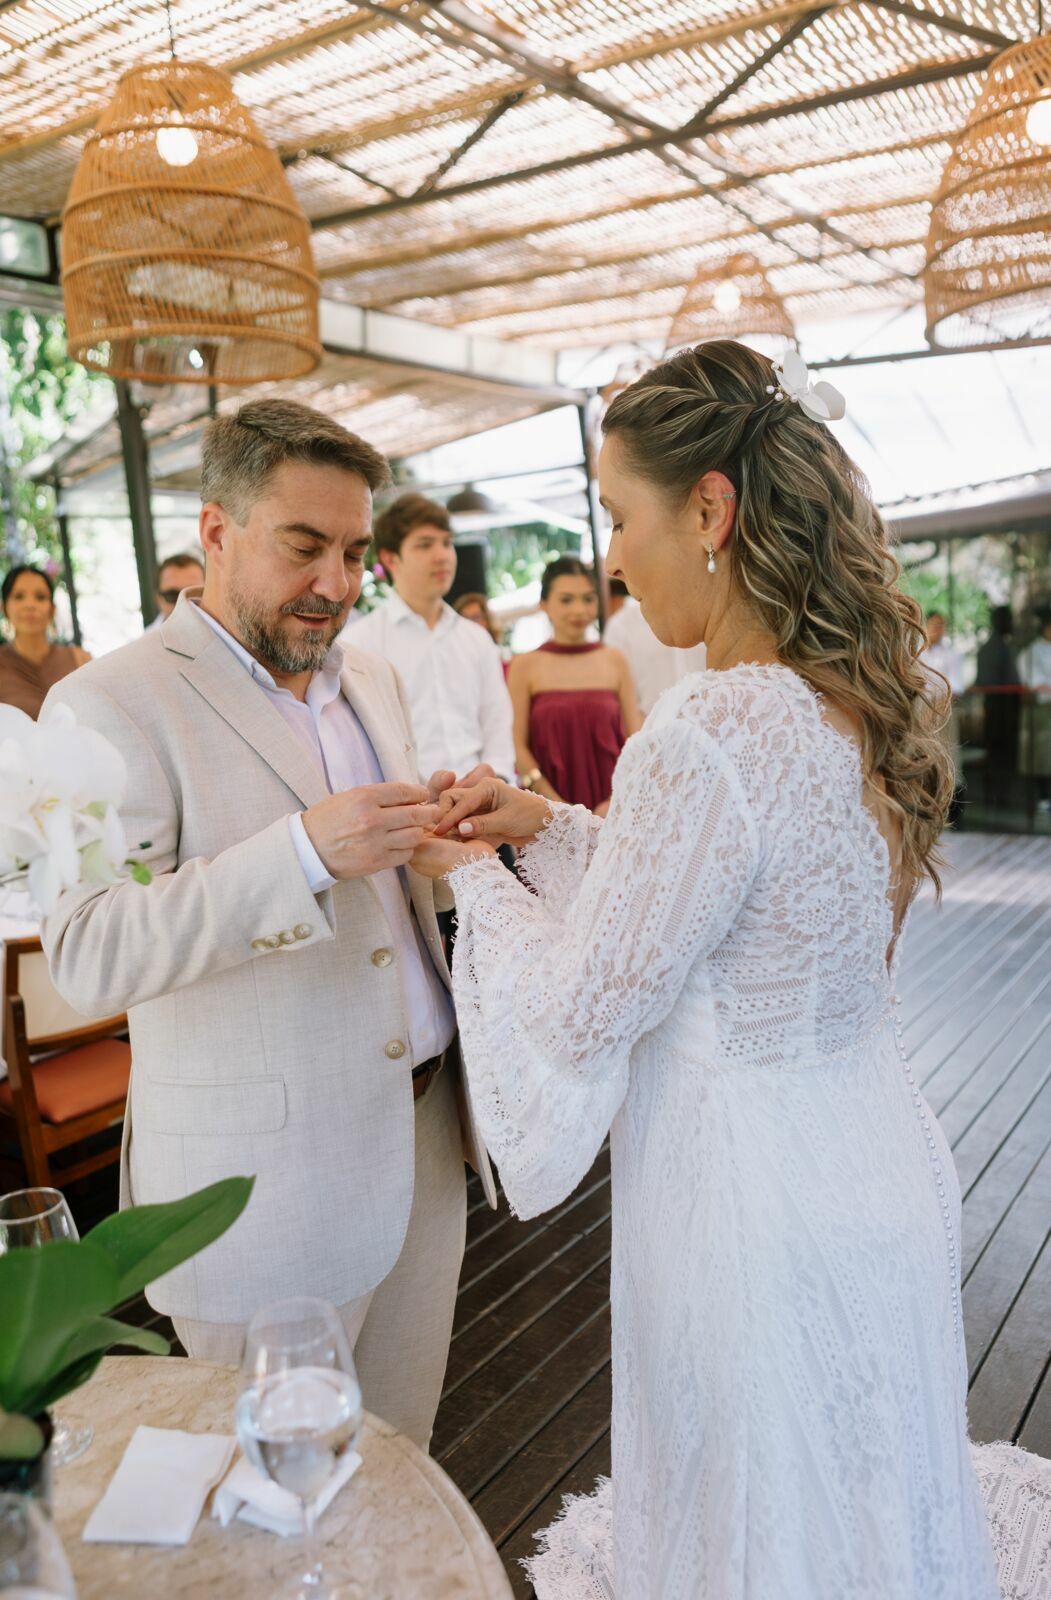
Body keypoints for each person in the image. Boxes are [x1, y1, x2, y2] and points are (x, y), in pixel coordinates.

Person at [411, 340, 1024, 1597]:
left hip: (748, 1205)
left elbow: (588, 1007)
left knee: (760, 1519)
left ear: (709, 509)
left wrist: (460, 871)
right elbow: (720, 910)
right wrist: (540, 824)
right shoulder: (855, 696)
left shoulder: (707, 726)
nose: (614, 557)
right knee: (853, 1505)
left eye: (620, 515)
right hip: (866, 1156)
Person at [41, 399, 495, 1451]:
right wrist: (299, 853)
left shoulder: (370, 674)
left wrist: (442, 851)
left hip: (424, 1141)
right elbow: (87, 951)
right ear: (214, 531)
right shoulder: (113, 703)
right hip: (258, 1188)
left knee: (398, 1463)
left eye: (349, 551)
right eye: (303, 546)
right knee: (267, 1502)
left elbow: (389, 900)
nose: (334, 583)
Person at [345, 495, 515, 782]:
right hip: (409, 808)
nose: (442, 555)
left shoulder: (476, 638)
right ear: (390, 558)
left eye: (447, 543)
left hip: (483, 800)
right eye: (425, 544)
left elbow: (497, 724)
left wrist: (495, 780)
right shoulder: (359, 643)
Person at [508, 557, 641, 815]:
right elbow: (517, 743)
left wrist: (617, 798)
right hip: (547, 809)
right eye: (566, 600)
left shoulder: (615, 660)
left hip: (613, 806)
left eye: (588, 599)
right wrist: (553, 803)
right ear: (544, 605)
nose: (579, 610)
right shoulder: (525, 665)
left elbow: (635, 738)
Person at [0, 565, 89, 717]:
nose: (30, 605)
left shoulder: (80, 659)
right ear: (4, 607)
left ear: (52, 609)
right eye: (19, 596)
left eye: (40, 597)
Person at [604, 575, 707, 714]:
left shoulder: (710, 612)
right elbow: (621, 701)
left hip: (715, 728)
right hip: (649, 730)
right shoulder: (621, 626)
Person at [975, 604, 1021, 817]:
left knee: (998, 754)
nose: (1011, 624)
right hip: (1000, 710)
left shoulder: (997, 646)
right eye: (1008, 619)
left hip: (999, 709)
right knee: (999, 754)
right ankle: (997, 798)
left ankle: (998, 796)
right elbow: (991, 681)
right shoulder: (996, 649)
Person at [921, 610, 965, 823]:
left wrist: (938, 703)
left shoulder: (951, 655)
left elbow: (957, 686)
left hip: (944, 714)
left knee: (950, 761)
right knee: (923, 760)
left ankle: (952, 815)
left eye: (941, 625)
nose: (938, 630)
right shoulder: (916, 653)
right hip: (921, 715)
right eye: (934, 625)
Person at [1018, 605, 1051, 813]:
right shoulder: (1030, 652)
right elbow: (1036, 683)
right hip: (1042, 709)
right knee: (1042, 755)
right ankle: (1044, 798)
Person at [149, 551, 205, 627]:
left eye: (193, 594)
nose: (182, 604)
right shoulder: (147, 638)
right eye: (172, 595)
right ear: (158, 600)